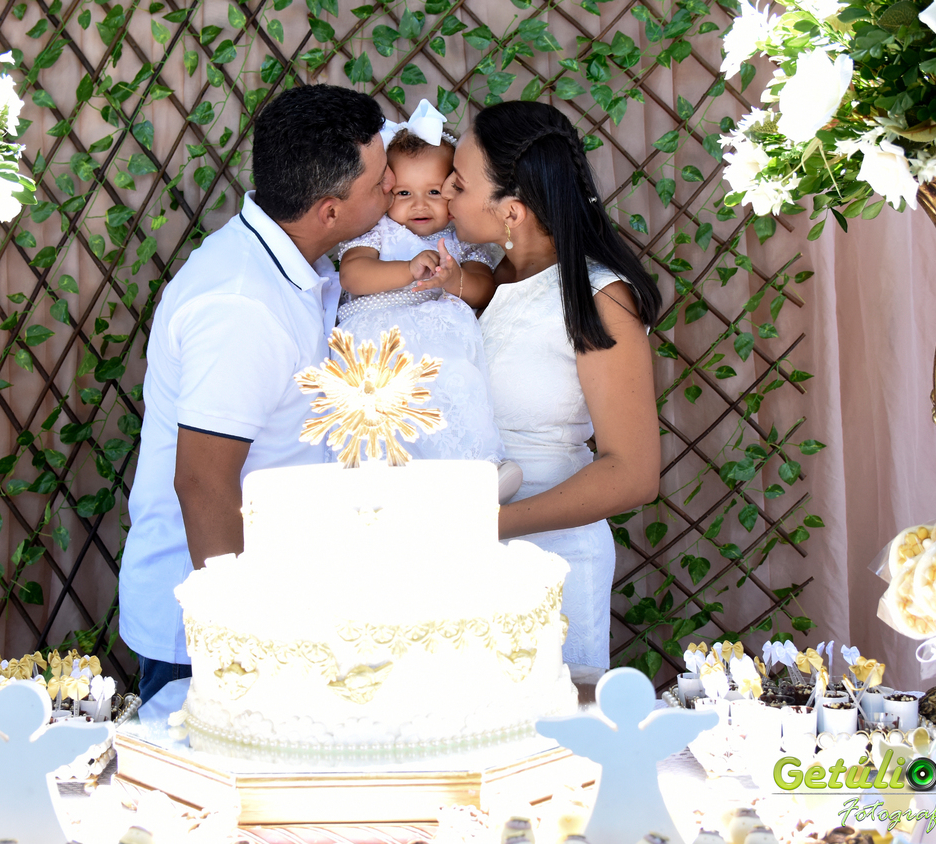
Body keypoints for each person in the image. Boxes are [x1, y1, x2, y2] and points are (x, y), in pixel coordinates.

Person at [120, 85, 393, 703]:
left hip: (283, 605)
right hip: (219, 635)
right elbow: (203, 482)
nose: (392, 186)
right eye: (380, 182)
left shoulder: (287, 260)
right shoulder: (242, 306)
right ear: (329, 211)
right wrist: (243, 645)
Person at [442, 101, 662, 683]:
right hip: (457, 557)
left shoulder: (599, 297)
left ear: (511, 211)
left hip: (550, 560)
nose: (444, 193)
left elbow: (633, 473)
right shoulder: (476, 280)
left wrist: (485, 525)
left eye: (459, 183)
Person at [337, 99, 522, 501]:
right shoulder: (378, 230)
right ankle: (382, 485)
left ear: (454, 193)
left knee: (456, 388)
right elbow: (353, 274)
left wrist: (455, 279)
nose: (419, 204)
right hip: (376, 340)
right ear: (385, 191)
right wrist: (407, 269)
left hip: (438, 344)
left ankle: (476, 469)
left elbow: (484, 286)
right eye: (404, 192)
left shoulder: (460, 239)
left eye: (434, 192)